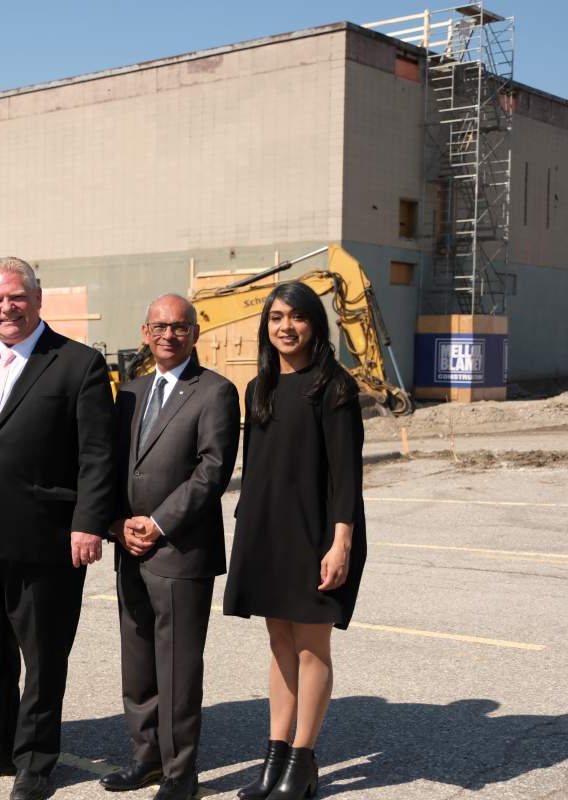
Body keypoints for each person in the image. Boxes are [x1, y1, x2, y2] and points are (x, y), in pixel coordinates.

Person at [0, 256, 115, 800]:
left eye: (16, 297)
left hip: (48, 538)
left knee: (42, 654)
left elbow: (97, 455)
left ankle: (35, 761)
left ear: (38, 299)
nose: (6, 308)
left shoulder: (78, 363)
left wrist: (89, 524)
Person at [222, 281, 367, 800]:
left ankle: (303, 762)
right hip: (266, 532)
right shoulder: (258, 388)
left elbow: (347, 476)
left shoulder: (334, 386)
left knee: (311, 648)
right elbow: (256, 469)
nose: (286, 326)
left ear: (315, 324)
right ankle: (275, 756)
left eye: (298, 317)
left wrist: (341, 541)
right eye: (277, 316)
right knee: (279, 643)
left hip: (316, 535)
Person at [102, 294, 240, 800]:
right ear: (144, 332)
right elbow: (113, 465)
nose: (168, 335)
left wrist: (156, 524)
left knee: (178, 667)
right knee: (137, 662)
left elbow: (212, 472)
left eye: (179, 327)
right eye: (159, 326)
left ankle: (181, 774)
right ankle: (145, 761)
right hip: (127, 546)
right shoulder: (130, 393)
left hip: (179, 550)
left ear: (195, 333)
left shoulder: (216, 392)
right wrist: (116, 524)